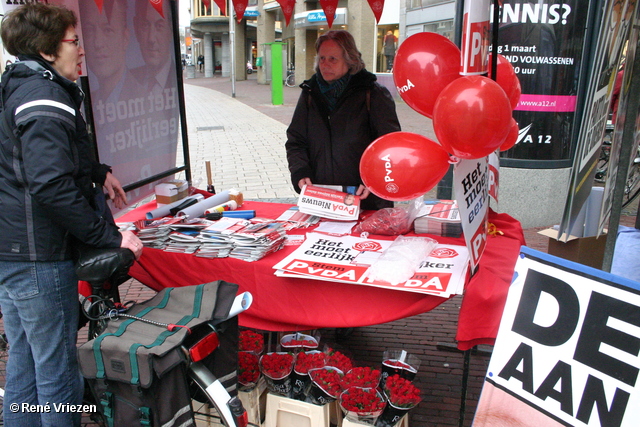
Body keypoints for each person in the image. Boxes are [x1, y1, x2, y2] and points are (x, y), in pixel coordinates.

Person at [0, 4, 143, 426]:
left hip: (15, 253)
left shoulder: (23, 85)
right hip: (38, 258)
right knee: (57, 376)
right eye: (74, 40)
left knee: (25, 367)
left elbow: (36, 163)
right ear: (47, 50)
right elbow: (50, 185)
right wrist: (109, 236)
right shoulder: (43, 97)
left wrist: (97, 173)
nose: (82, 50)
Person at [286, 30, 401, 211]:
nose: (325, 65)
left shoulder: (373, 93)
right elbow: (296, 140)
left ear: (350, 60)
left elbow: (390, 146)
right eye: (322, 58)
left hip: (365, 197)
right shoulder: (310, 93)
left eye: (333, 59)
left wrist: (373, 180)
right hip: (322, 197)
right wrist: (300, 172)